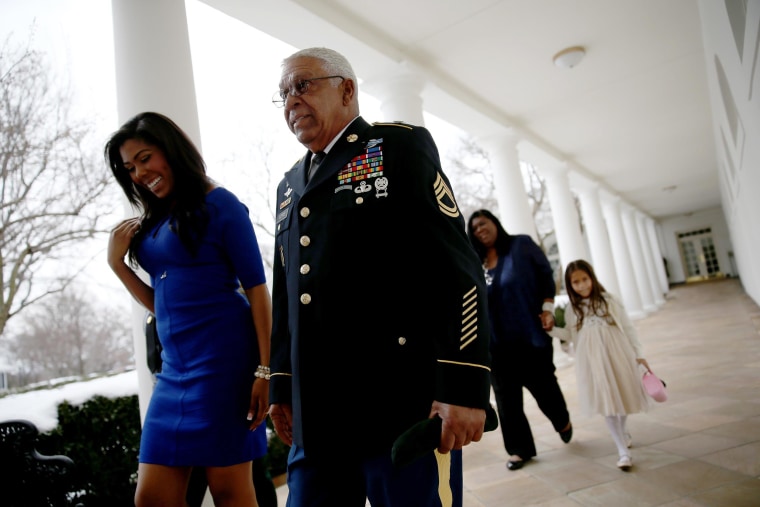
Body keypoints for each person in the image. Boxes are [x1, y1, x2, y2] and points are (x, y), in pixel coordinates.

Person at [268, 47, 492, 506]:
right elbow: (287, 292)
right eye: (284, 93)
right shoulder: (289, 185)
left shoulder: (397, 147)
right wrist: (281, 384)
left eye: (303, 85)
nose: (292, 100)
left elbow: (457, 268)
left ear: (347, 89)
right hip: (317, 420)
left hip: (398, 406)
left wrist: (463, 386)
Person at [105, 111, 272, 507]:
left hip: (224, 366)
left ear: (171, 149)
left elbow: (257, 291)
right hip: (174, 373)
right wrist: (117, 266)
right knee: (150, 498)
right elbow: (162, 304)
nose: (140, 173)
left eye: (145, 158)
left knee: (231, 493)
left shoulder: (222, 205)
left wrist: (266, 370)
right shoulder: (157, 219)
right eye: (130, 167)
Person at [466, 209, 573, 471]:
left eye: (484, 223)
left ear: (495, 223)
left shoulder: (520, 245)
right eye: (475, 228)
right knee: (506, 401)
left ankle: (562, 420)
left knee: (545, 389)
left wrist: (548, 307)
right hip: (496, 347)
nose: (480, 229)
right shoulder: (475, 263)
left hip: (529, 337)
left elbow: (546, 275)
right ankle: (518, 449)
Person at [144, 312, 279, 507]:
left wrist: (263, 377)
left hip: (223, 402)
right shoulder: (158, 310)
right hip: (178, 409)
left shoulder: (228, 300)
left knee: (247, 485)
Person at [550, 259, 651, 471]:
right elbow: (569, 334)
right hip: (591, 360)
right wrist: (551, 330)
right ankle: (622, 450)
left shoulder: (609, 300)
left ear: (592, 278)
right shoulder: (572, 309)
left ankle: (623, 432)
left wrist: (639, 354)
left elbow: (628, 327)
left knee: (622, 398)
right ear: (570, 286)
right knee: (607, 402)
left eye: (585, 279)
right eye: (576, 282)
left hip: (618, 355)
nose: (582, 285)